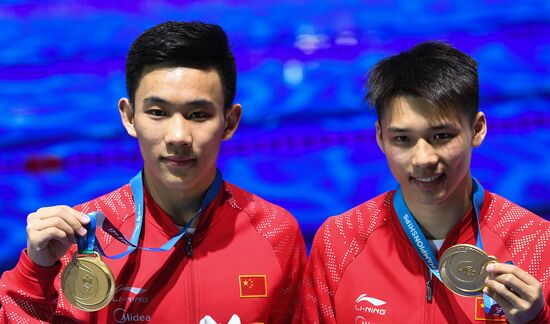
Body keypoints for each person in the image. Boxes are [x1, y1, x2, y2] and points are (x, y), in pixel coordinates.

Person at [0, 21, 307, 323]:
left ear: (229, 122)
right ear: (129, 117)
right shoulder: (78, 238)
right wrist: (34, 274)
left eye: (198, 115)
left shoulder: (276, 233)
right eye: (158, 113)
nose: (178, 136)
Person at [299, 41, 550, 323]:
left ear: (477, 130)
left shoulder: (537, 244)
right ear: (381, 137)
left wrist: (537, 319)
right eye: (403, 139)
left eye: (441, 136)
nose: (423, 159)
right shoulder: (340, 240)